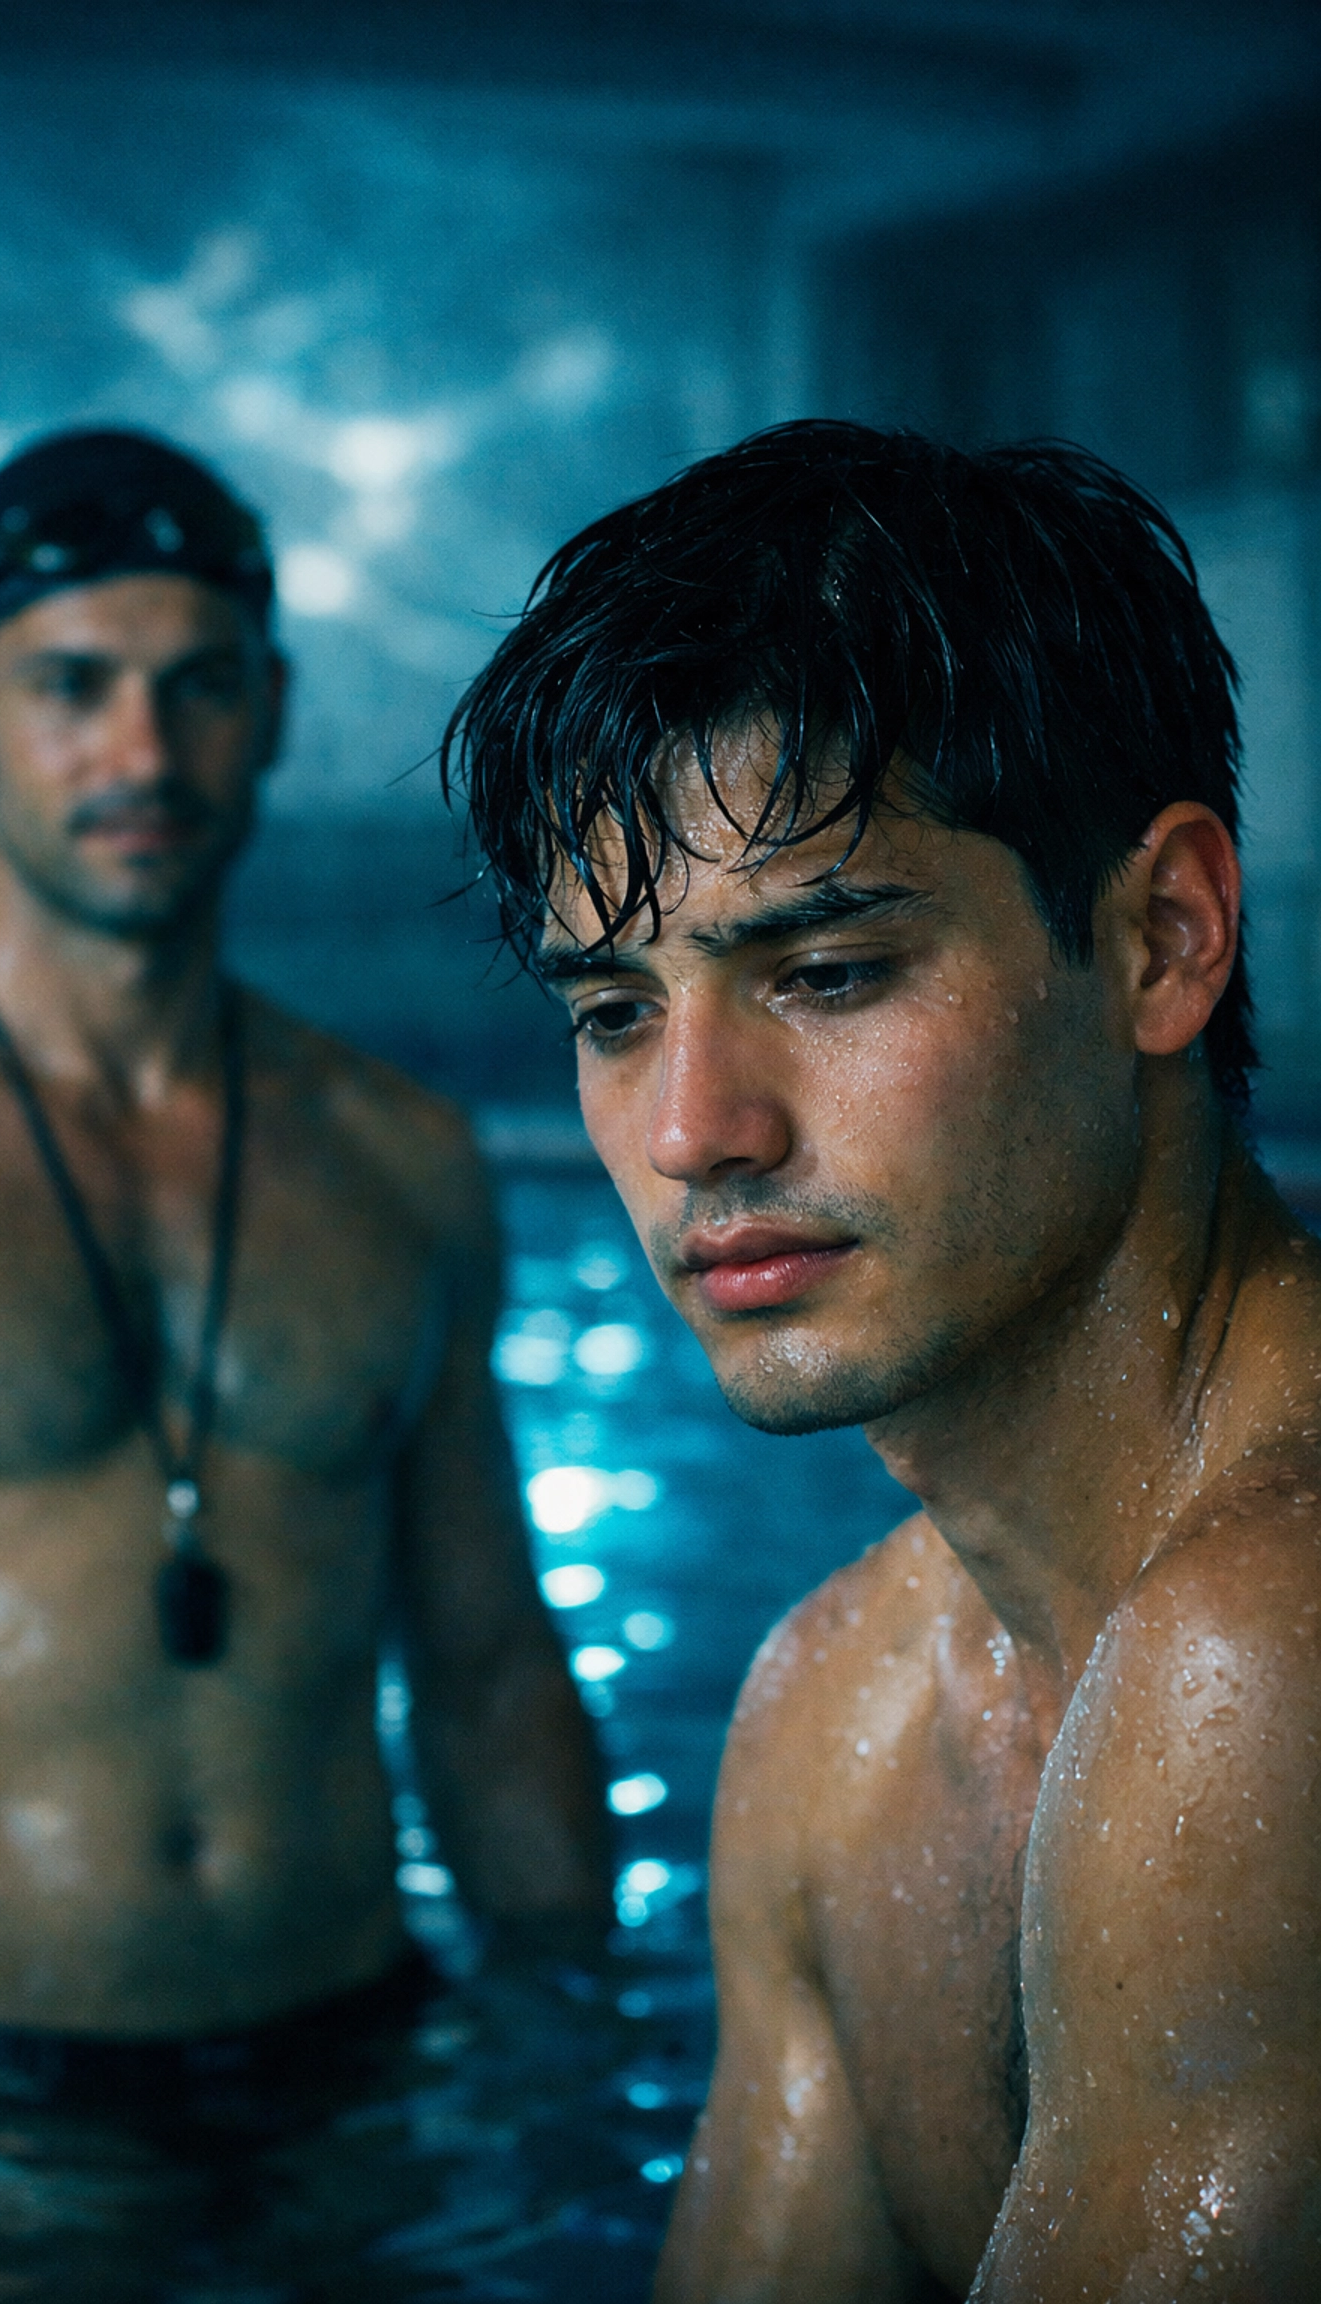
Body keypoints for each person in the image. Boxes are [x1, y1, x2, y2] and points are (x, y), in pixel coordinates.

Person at [443, 421, 1321, 2299]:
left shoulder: (1274, 1650)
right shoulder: (833, 1712)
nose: (694, 1131)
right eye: (616, 1010)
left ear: (1164, 938)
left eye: (828, 974)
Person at [0, 426, 608, 2097]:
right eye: (71, 687)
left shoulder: (397, 1157)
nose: (142, 752)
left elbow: (488, 1671)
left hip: (345, 2077)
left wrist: (578, 2057)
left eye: (200, 687)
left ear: (273, 710)